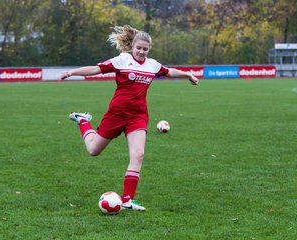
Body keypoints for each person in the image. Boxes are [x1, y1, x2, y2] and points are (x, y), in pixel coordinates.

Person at [59, 25, 199, 211]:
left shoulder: (153, 65)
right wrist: (71, 72)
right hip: (116, 114)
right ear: (132, 46)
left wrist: (187, 74)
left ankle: (127, 201)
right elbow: (95, 69)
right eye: (138, 48)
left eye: (145, 49)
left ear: (149, 49)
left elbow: (169, 71)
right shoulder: (121, 60)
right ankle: (83, 120)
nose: (141, 52)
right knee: (93, 150)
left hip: (138, 116)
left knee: (138, 154)